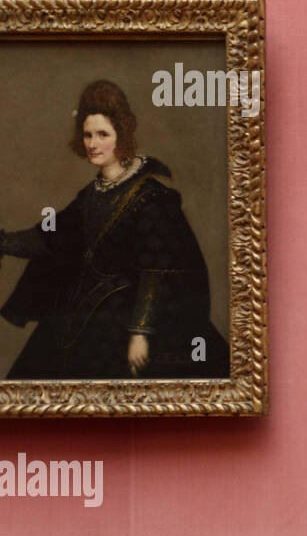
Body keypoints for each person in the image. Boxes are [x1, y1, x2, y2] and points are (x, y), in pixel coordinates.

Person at [0, 79, 230, 380]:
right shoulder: (91, 195)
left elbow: (156, 271)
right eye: (87, 135)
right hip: (83, 314)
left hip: (130, 320)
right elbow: (48, 238)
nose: (93, 143)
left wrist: (140, 333)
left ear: (121, 135)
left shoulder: (150, 198)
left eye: (102, 134)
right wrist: (2, 241)